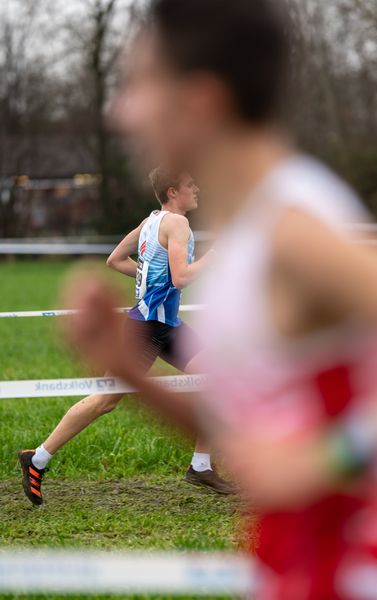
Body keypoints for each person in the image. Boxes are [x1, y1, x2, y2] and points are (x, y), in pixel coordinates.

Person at [60, 0, 377, 598]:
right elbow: (254, 438)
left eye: (139, 85)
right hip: (292, 563)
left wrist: (333, 457)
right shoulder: (248, 229)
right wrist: (125, 370)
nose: (121, 111)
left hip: (354, 572)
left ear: (201, 100)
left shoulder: (293, 230)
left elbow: (310, 460)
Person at [19, 167, 234, 507]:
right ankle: (38, 458)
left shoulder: (150, 222)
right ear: (173, 192)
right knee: (106, 399)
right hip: (147, 329)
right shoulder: (178, 223)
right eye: (191, 184)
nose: (198, 188)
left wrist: (149, 280)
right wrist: (215, 256)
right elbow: (181, 278)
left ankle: (200, 465)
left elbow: (115, 260)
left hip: (167, 325)